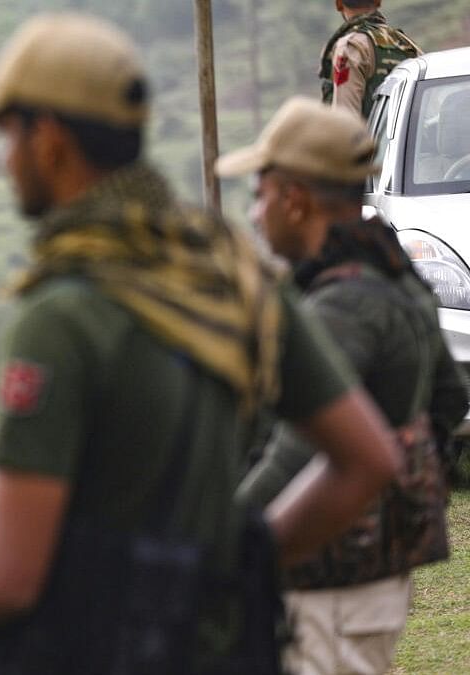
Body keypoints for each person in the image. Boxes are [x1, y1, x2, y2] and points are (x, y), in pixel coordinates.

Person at [0, 13, 402, 672]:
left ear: (52, 140)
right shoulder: (231, 272)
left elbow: (8, 572)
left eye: (9, 132)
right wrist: (234, 565)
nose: (4, 157)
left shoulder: (63, 314)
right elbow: (369, 459)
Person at [219, 97, 467, 675]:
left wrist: (221, 549)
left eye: (259, 195)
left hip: (323, 580)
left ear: (295, 199)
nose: (254, 215)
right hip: (369, 579)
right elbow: (450, 399)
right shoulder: (397, 278)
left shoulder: (339, 307)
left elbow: (299, 450)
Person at [320, 0, 421, 118]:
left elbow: (345, 119)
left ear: (339, 4)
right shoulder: (406, 43)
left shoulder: (350, 47)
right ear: (378, 2)